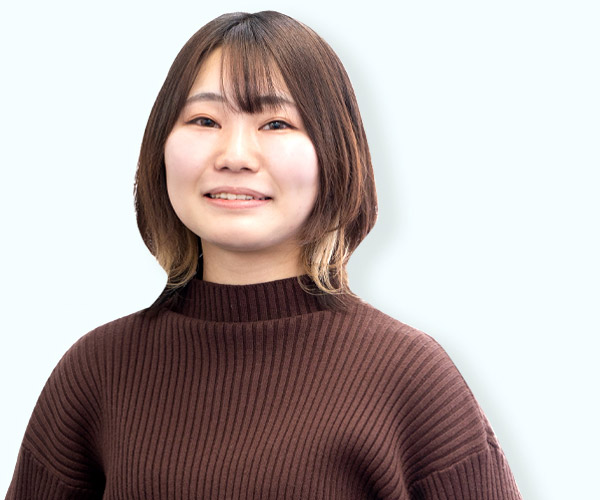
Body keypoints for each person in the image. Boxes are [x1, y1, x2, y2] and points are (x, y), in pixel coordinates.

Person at [6, 11, 522, 499]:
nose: (234, 156)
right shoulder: (96, 371)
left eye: (276, 124)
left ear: (334, 153)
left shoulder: (410, 376)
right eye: (204, 120)